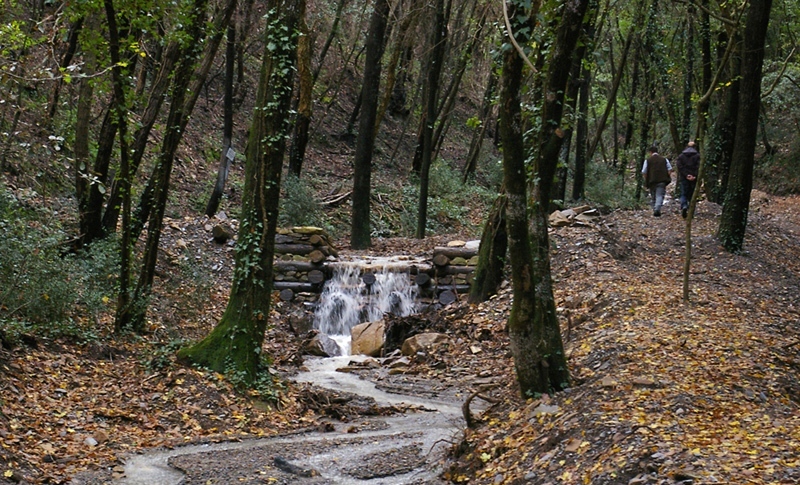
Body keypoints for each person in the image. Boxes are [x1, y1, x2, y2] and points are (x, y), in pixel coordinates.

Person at [641, 145, 672, 217]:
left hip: (652, 181)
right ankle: (657, 208)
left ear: (650, 152)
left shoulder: (648, 160)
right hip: (662, 181)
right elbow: (670, 169)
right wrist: (666, 176)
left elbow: (644, 172)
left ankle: (655, 209)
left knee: (653, 195)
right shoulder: (664, 159)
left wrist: (647, 179)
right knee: (660, 195)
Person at [675, 141, 700, 218]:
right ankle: (691, 211)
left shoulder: (681, 156)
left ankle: (684, 205)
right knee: (692, 195)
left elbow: (679, 167)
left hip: (684, 178)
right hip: (694, 178)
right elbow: (699, 166)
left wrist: (686, 175)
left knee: (683, 194)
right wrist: (694, 175)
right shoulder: (697, 156)